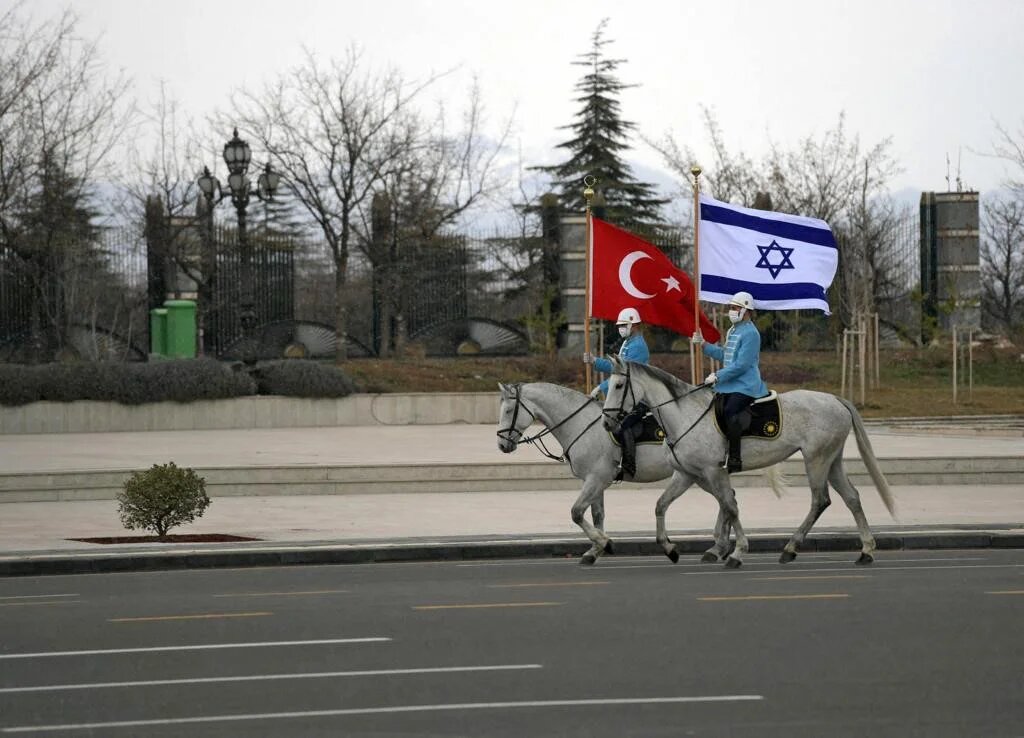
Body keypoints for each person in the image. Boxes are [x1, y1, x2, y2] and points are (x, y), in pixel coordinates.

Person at [691, 291, 768, 473]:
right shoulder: (734, 330)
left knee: (730, 410)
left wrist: (718, 376)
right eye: (731, 308)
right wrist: (703, 345)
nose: (731, 311)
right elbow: (726, 355)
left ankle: (734, 458)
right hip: (729, 383)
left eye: (735, 308)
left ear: (745, 310)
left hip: (745, 385)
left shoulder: (751, 333)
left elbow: (741, 365)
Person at [583, 307, 650, 480]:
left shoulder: (638, 347)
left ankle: (628, 466)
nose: (620, 328)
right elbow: (616, 369)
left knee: (623, 425)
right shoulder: (628, 343)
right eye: (619, 325)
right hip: (626, 397)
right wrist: (595, 362)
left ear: (634, 325)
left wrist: (601, 388)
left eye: (623, 325)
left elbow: (623, 377)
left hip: (638, 398)